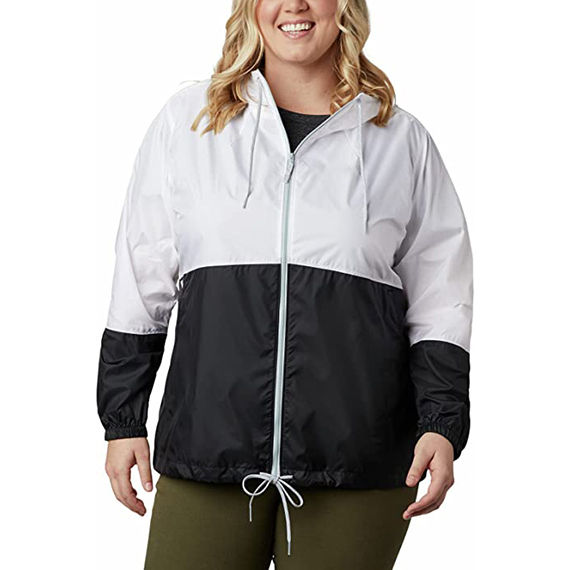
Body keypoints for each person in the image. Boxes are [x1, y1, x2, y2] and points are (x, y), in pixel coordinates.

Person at [96, 0, 473, 568]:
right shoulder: (190, 122)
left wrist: (441, 424)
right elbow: (140, 274)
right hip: (208, 448)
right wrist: (123, 418)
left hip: (356, 461)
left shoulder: (399, 140)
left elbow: (441, 297)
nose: (295, 5)